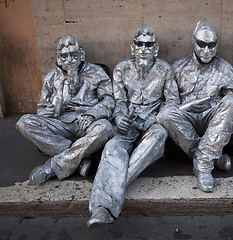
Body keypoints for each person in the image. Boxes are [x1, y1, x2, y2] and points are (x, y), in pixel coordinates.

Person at [87, 26, 179, 227]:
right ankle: (101, 210)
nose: (144, 48)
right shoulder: (121, 69)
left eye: (149, 44)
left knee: (158, 136)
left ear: (156, 49)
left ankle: (106, 200)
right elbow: (118, 101)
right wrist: (119, 117)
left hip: (153, 123)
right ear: (133, 47)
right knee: (112, 148)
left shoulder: (165, 69)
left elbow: (172, 102)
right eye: (140, 44)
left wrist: (156, 117)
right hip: (128, 124)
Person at [157, 21, 233, 193]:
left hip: (212, 118)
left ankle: (203, 166)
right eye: (202, 44)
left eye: (211, 45)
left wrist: (211, 104)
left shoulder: (224, 67)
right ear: (193, 42)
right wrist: (186, 108)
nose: (206, 50)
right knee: (165, 114)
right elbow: (171, 101)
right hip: (186, 118)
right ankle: (211, 158)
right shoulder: (178, 67)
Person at [16, 35, 114, 184]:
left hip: (86, 123)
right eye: (65, 56)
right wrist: (45, 112)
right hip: (60, 122)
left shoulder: (97, 72)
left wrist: (91, 114)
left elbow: (109, 100)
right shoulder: (51, 77)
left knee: (106, 128)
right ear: (58, 57)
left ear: (81, 54)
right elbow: (41, 107)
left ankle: (54, 166)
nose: (70, 59)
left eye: (74, 55)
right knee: (24, 123)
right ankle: (79, 157)